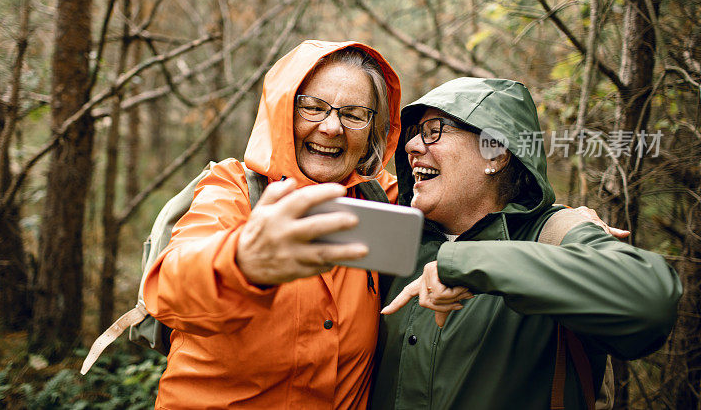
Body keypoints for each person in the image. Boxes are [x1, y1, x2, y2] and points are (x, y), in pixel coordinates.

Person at [371, 77, 682, 409]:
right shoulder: (396, 239)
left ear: (496, 154)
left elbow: (652, 302)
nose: (412, 146)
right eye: (414, 132)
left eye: (434, 131)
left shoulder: (554, 236)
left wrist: (469, 264)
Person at [142, 40, 402, 409]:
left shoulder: (383, 201)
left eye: (354, 114)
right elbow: (171, 288)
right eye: (312, 108)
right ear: (282, 111)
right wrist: (243, 261)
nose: (331, 127)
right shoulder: (232, 188)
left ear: (373, 128)